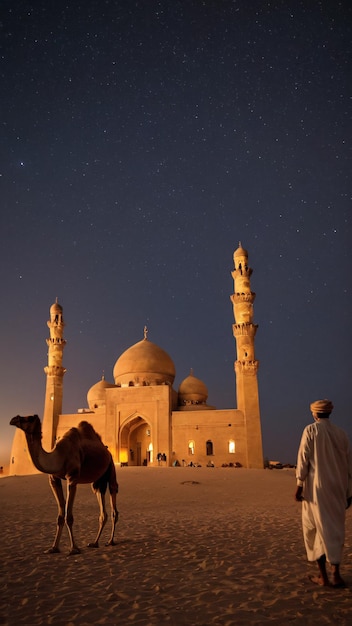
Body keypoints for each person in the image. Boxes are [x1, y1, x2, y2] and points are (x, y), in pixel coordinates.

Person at [295, 399, 352, 587]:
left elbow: (303, 458)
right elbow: (349, 465)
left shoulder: (311, 430)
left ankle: (324, 577)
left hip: (316, 489)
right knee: (334, 529)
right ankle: (335, 574)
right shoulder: (342, 434)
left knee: (314, 528)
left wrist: (299, 484)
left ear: (314, 414)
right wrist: (349, 491)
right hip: (338, 488)